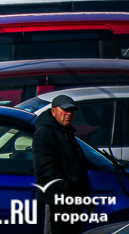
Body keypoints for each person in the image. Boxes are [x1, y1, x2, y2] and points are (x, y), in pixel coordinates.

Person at [34, 94, 90, 234]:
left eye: (71, 111)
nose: (69, 114)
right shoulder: (45, 133)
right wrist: (68, 189)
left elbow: (77, 166)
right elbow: (45, 168)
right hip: (54, 201)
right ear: (53, 111)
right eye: (64, 110)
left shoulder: (67, 133)